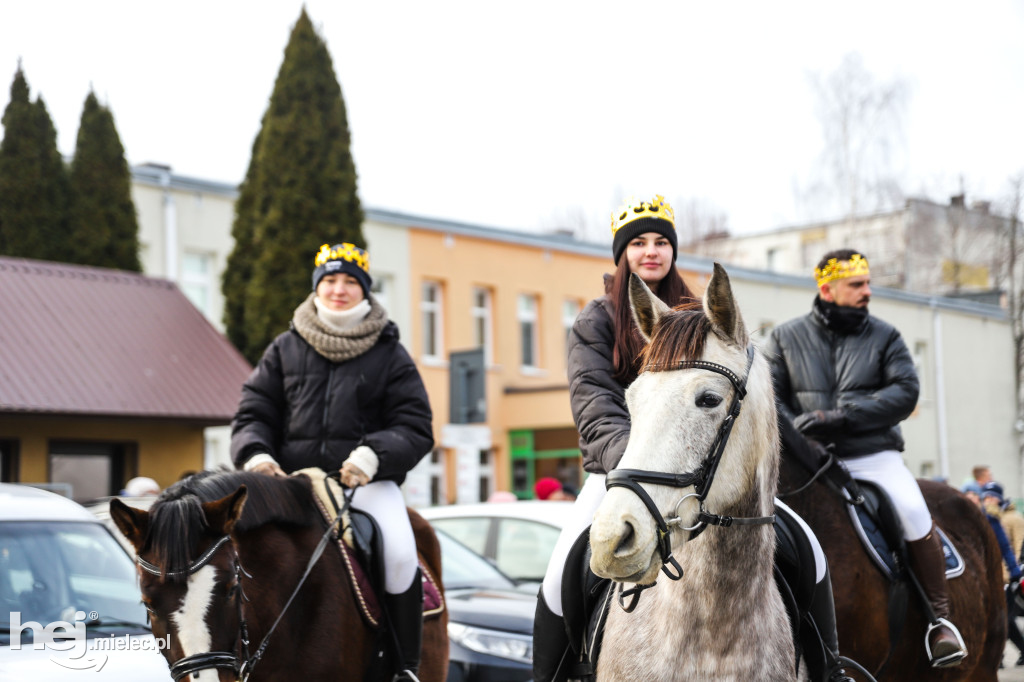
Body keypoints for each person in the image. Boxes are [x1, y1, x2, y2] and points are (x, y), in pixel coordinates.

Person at [533, 196, 850, 682]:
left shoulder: (703, 319)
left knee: (808, 549)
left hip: (712, 476)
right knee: (561, 574)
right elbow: (595, 409)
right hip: (624, 473)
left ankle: (828, 670)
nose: (651, 251)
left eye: (661, 241)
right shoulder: (594, 322)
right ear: (622, 254)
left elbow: (754, 405)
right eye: (638, 243)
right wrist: (643, 466)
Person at [230, 242, 434, 682]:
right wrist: (256, 454)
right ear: (316, 288)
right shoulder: (283, 348)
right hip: (290, 485)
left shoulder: (390, 353)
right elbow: (253, 414)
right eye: (329, 280)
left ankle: (405, 668)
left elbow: (415, 425)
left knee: (400, 555)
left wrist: (373, 455)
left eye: (349, 282)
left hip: (365, 483)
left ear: (364, 290)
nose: (338, 289)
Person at [765, 248, 967, 668]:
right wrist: (804, 440)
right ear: (827, 288)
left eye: (867, 283)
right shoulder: (784, 337)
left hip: (871, 456)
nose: (867, 291)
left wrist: (838, 418)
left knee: (913, 510)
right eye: (857, 284)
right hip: (808, 462)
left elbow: (905, 392)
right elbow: (769, 400)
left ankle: (939, 621)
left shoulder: (886, 336)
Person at [980, 482, 1024, 666]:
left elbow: (1015, 546)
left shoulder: (1011, 517)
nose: (988, 500)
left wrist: (1015, 570)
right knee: (1004, 618)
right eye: (986, 496)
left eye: (992, 496)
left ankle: (996, 656)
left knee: (1003, 619)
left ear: (999, 498)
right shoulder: (985, 516)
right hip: (989, 575)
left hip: (1004, 575)